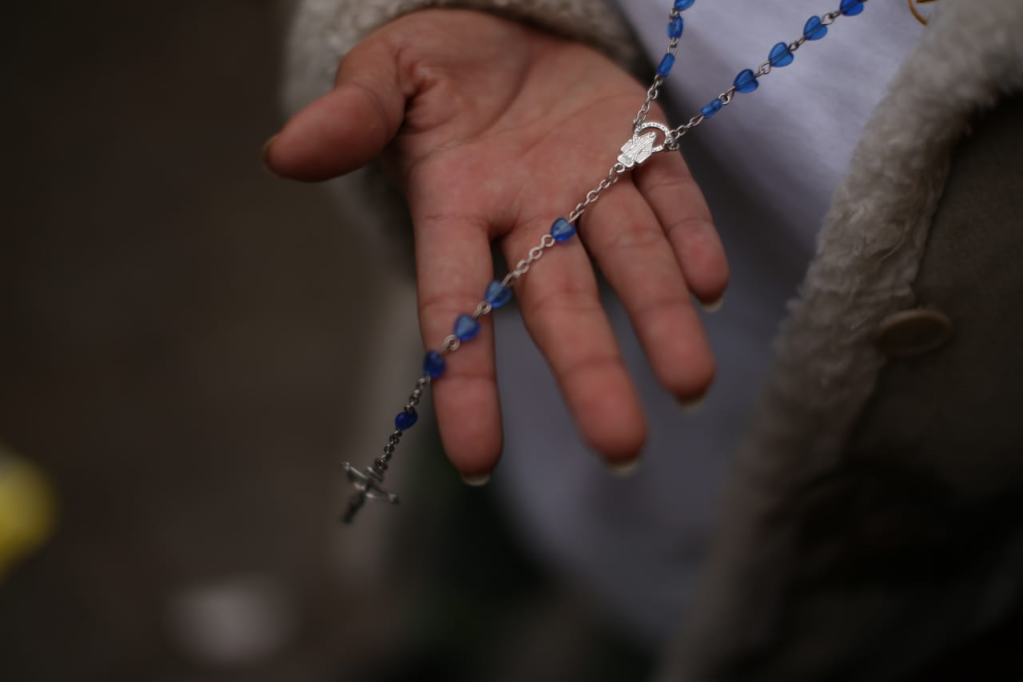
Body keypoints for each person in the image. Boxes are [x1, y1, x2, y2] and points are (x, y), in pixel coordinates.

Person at [265, 0, 1023, 678]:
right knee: (466, 540)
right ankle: (446, 639)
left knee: (644, 633)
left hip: (787, 522)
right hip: (530, 362)